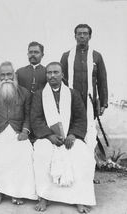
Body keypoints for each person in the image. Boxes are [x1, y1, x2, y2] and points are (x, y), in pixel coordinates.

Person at [31, 62, 96, 213]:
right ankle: (44, 196)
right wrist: (49, 135)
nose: (52, 75)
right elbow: (36, 119)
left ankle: (79, 198)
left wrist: (73, 135)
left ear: (62, 75)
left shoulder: (73, 94)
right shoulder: (40, 95)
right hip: (48, 138)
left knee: (83, 155)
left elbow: (80, 119)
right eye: (49, 73)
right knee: (41, 152)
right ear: (46, 75)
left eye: (55, 72)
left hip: (70, 137)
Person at [0, 61, 37, 206]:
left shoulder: (24, 93)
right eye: (3, 75)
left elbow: (28, 116)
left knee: (24, 152)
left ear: (14, 75)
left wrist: (25, 131)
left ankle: (16, 193)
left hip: (18, 133)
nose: (6, 78)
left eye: (9, 74)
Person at [60, 24, 108, 152]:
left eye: (85, 33)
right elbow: (61, 79)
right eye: (79, 33)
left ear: (90, 36)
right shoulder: (66, 56)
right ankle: (71, 157)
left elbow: (102, 80)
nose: (82, 36)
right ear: (75, 36)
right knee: (70, 126)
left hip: (90, 100)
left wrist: (103, 103)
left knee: (89, 129)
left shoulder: (96, 56)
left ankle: (88, 157)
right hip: (71, 100)